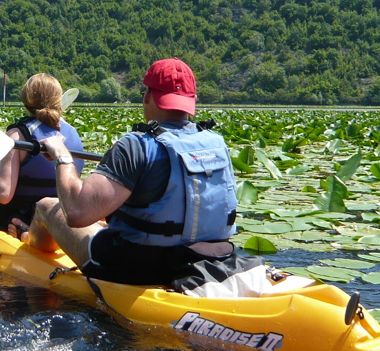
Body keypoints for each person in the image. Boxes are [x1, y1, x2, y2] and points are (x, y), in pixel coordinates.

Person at [27, 58, 238, 286]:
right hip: (212, 258)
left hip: (144, 268)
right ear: (193, 100)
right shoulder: (216, 142)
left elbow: (78, 213)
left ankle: (28, 254)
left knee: (46, 206)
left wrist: (61, 155)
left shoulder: (135, 146)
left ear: (147, 96)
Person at [0, 73, 85, 239]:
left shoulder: (17, 135)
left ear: (25, 99)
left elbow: (3, 194)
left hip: (19, 213)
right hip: (59, 214)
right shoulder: (74, 133)